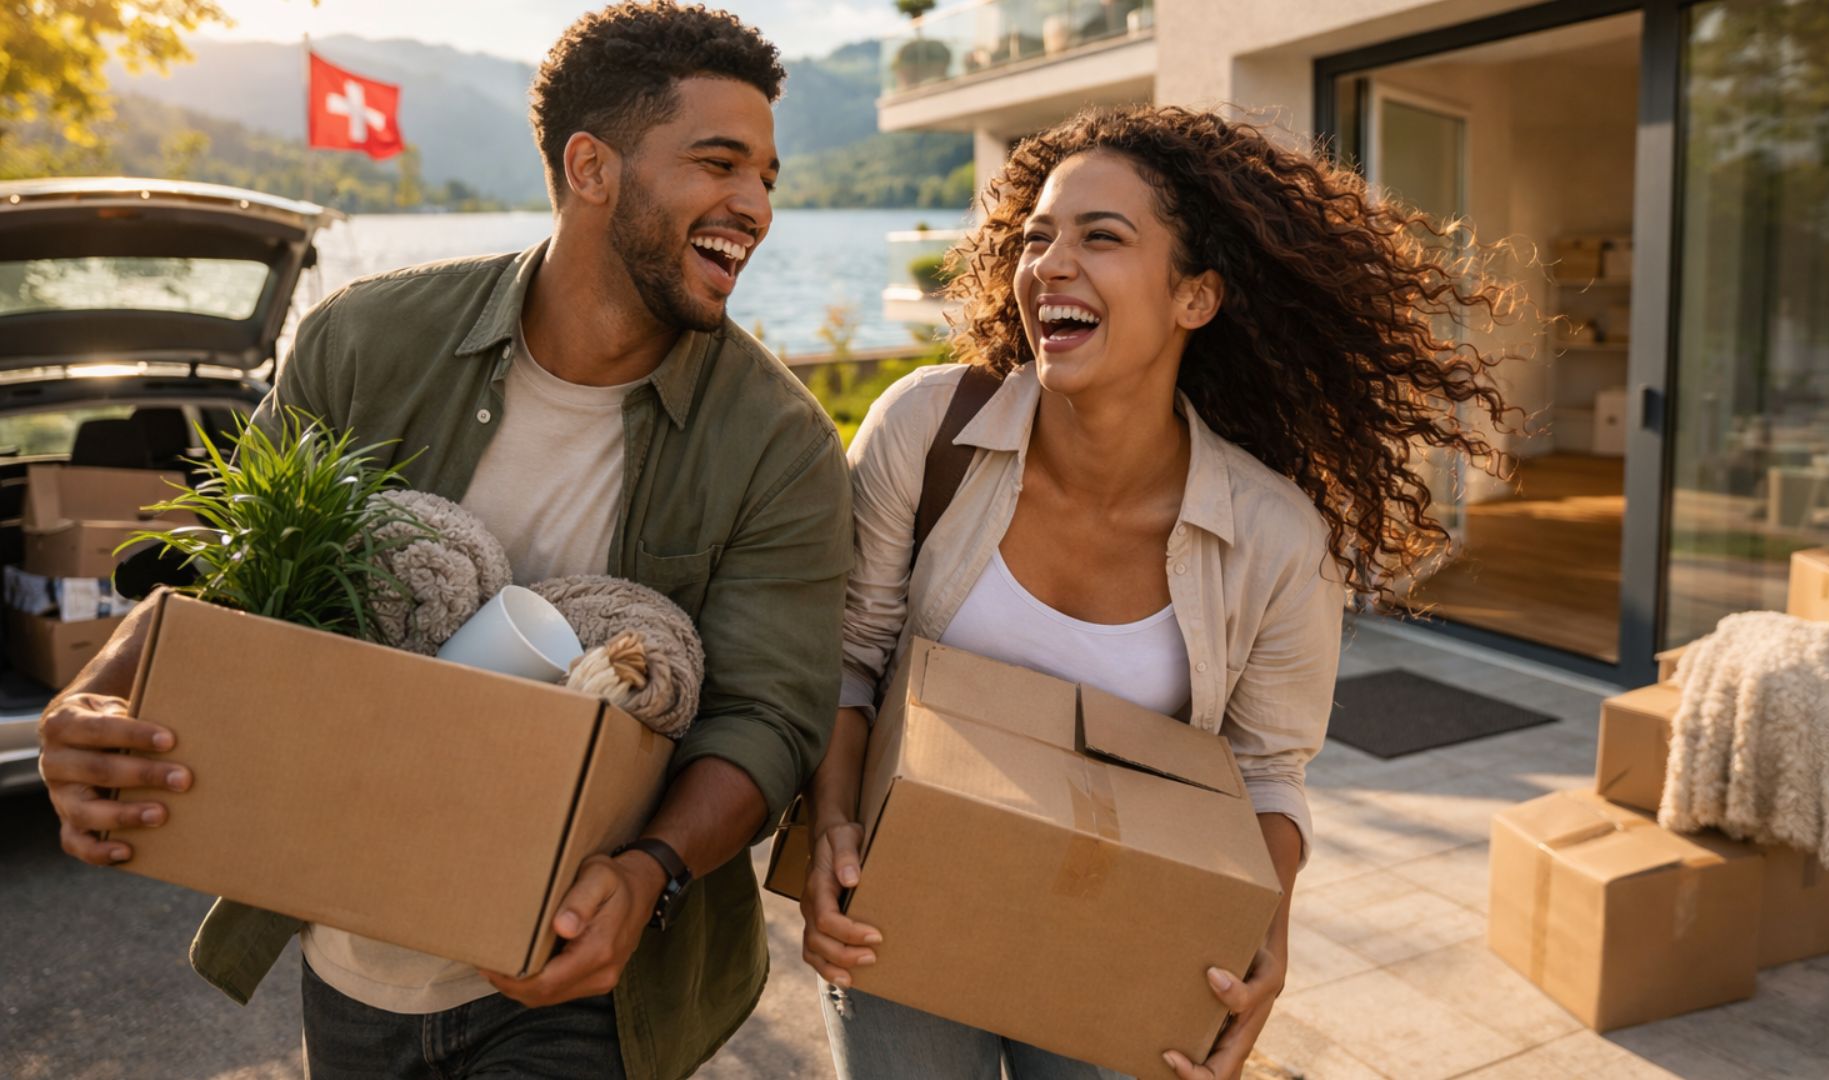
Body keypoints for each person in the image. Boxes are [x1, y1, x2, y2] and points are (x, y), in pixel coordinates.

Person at [35, 4, 851, 1078]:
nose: (753, 206)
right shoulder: (361, 340)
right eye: (719, 163)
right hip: (348, 950)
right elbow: (238, 587)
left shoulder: (782, 443)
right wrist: (95, 695)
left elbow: (769, 718)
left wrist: (651, 871)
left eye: (768, 178)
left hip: (579, 978)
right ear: (592, 167)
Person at [797, 105, 1522, 1080]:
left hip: (1116, 920)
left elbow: (1267, 772)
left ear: (1196, 297)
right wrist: (833, 832)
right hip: (908, 900)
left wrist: (1270, 930)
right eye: (1038, 236)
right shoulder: (926, 432)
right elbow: (850, 659)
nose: (1051, 264)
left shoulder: (1272, 539)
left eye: (1102, 237)